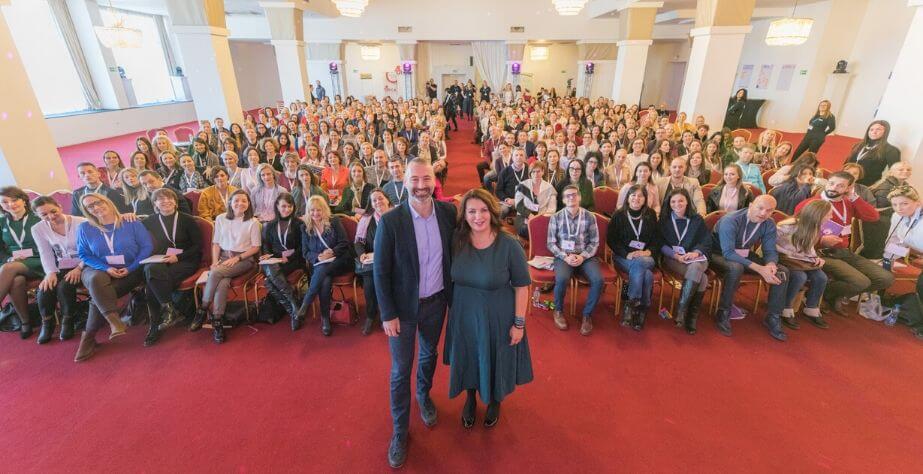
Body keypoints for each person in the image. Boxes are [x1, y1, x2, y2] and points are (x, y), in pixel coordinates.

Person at [373, 159, 456, 469]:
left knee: (429, 354)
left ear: (435, 180)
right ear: (404, 182)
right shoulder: (391, 221)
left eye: (426, 179)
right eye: (415, 180)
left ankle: (424, 394)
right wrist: (387, 314)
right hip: (402, 310)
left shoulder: (448, 213)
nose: (421, 186)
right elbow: (381, 271)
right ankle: (399, 431)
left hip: (436, 302)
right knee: (400, 370)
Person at [443, 189, 532, 429]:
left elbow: (522, 287)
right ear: (464, 215)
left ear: (492, 212)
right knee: (468, 356)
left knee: (493, 358)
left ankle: (494, 400)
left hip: (497, 317)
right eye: (471, 211)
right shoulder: (456, 240)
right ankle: (470, 397)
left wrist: (519, 324)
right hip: (463, 315)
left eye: (483, 210)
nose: (478, 216)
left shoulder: (509, 244)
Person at [794, 171, 893, 315]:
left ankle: (831, 294)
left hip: (843, 252)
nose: (833, 188)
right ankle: (817, 293)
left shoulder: (848, 202)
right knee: (861, 282)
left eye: (840, 186)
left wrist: (854, 197)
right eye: (831, 183)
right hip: (819, 252)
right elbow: (795, 232)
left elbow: (873, 216)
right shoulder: (811, 203)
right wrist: (820, 240)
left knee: (885, 278)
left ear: (849, 188)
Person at [75, 193, 153, 361]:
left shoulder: (131, 223)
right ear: (86, 210)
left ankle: (88, 337)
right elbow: (84, 254)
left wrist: (131, 267)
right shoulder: (84, 228)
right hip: (97, 268)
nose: (96, 207)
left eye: (98, 202)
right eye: (90, 206)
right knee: (96, 280)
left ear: (107, 201)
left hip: (130, 270)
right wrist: (106, 268)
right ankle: (114, 321)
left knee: (99, 294)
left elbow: (147, 247)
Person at [710, 195, 790, 341]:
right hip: (718, 253)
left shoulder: (769, 223)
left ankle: (773, 316)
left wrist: (770, 264)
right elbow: (728, 253)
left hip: (744, 254)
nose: (763, 213)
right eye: (760, 208)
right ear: (751, 205)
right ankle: (724, 311)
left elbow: (770, 250)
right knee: (736, 268)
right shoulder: (731, 219)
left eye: (769, 210)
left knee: (782, 272)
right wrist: (760, 269)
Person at [190, 189, 261, 344]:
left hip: (244, 259)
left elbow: (255, 247)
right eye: (236, 200)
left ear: (249, 204)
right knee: (222, 283)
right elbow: (216, 243)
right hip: (223, 258)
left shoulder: (253, 222)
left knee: (215, 274)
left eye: (244, 201)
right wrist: (215, 261)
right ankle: (217, 321)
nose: (240, 203)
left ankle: (202, 309)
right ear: (230, 202)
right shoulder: (221, 218)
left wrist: (237, 258)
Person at [140, 188, 203, 346]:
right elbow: (131, 227)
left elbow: (198, 246)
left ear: (175, 202)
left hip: (186, 260)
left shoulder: (187, 219)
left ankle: (155, 326)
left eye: (169, 198)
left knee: (151, 283)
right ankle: (170, 310)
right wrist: (126, 216)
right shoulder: (150, 220)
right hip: (164, 260)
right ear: (155, 203)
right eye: (160, 199)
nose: (165, 201)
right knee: (150, 270)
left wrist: (178, 257)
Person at [547, 185, 602, 335]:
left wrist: (582, 256)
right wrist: (566, 257)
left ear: (579, 197)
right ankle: (558, 311)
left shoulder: (590, 216)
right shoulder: (556, 217)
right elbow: (551, 243)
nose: (571, 197)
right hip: (564, 256)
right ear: (564, 200)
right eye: (568, 196)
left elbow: (595, 242)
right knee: (562, 279)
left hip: (585, 256)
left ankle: (587, 315)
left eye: (574, 194)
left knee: (598, 280)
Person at [293, 196, 351, 336]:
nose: (315, 213)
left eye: (318, 210)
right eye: (312, 210)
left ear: (324, 210)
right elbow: (305, 252)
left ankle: (305, 304)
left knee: (322, 272)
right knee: (324, 279)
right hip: (320, 264)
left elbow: (344, 243)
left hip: (339, 261)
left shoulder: (334, 221)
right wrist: (318, 257)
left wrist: (332, 252)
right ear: (308, 211)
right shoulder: (305, 227)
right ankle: (325, 318)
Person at [31, 196, 85, 343]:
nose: (50, 216)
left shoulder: (81, 222)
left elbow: (92, 250)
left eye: (53, 211)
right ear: (37, 215)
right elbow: (45, 252)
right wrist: (50, 272)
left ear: (60, 207)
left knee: (64, 286)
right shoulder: (37, 229)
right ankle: (47, 324)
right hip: (62, 265)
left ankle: (68, 321)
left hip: (84, 264)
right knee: (45, 288)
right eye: (44, 214)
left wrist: (79, 268)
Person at [658, 188, 710, 334]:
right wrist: (675, 255)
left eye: (681, 200)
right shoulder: (664, 221)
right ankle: (691, 316)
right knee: (703, 279)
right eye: (673, 201)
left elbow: (706, 241)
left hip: (697, 257)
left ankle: (682, 309)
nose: (677, 204)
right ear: (669, 203)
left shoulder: (697, 220)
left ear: (687, 201)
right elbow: (660, 243)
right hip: (674, 259)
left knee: (696, 267)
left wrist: (696, 252)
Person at [608, 184, 659, 330]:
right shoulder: (619, 215)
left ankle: (630, 304)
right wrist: (627, 254)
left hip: (646, 257)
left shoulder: (650, 214)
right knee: (647, 275)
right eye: (633, 195)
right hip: (624, 257)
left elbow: (657, 239)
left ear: (645, 199)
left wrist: (647, 252)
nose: (636, 198)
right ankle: (642, 308)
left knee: (640, 263)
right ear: (628, 198)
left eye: (640, 196)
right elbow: (611, 240)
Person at [775, 200, 831, 330]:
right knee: (800, 277)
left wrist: (815, 257)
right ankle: (785, 308)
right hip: (782, 258)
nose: (831, 217)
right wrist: (789, 253)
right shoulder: (787, 226)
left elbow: (809, 247)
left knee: (821, 277)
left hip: (799, 259)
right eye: (829, 214)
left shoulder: (815, 226)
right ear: (818, 214)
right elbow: (770, 243)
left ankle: (811, 308)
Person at [0, 187, 43, 339]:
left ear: (23, 200)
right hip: (13, 263)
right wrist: (8, 259)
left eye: (14, 200)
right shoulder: (1, 222)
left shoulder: (37, 217)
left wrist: (9, 263)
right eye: (5, 202)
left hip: (40, 260)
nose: (10, 205)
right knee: (16, 280)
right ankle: (25, 322)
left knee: (9, 268)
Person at [259, 193, 305, 331]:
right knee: (271, 268)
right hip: (275, 259)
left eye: (290, 206)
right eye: (283, 206)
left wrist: (288, 258)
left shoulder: (299, 224)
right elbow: (266, 245)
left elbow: (303, 247)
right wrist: (267, 255)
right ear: (277, 207)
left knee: (268, 281)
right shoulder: (270, 225)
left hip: (294, 259)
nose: (287, 209)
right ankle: (294, 307)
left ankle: (292, 308)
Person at [882, 185, 923, 339]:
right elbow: (894, 240)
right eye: (895, 204)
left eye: (904, 203)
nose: (899, 208)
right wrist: (889, 261)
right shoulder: (897, 216)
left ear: (917, 202)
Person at [354, 189, 390, 335]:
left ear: (387, 199)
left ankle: (386, 314)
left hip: (392, 260)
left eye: (380, 198)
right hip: (372, 260)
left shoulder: (396, 216)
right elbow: (358, 242)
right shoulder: (366, 219)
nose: (378, 202)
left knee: (385, 280)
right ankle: (371, 314)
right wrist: (362, 254)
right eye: (374, 200)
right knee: (369, 283)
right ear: (371, 204)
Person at [863, 161, 912, 259]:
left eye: (908, 169)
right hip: (879, 219)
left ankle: (897, 255)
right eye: (901, 170)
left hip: (890, 216)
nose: (905, 171)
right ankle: (889, 256)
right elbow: (881, 208)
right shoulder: (885, 187)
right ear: (891, 172)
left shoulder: (904, 185)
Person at [844, 120, 901, 186]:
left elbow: (895, 173)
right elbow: (846, 164)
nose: (874, 132)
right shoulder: (858, 145)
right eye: (871, 129)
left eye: (878, 129)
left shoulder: (891, 150)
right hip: (847, 181)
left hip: (868, 186)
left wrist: (882, 186)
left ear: (886, 132)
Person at [514, 161, 557, 239]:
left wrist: (540, 218)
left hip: (543, 217)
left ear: (543, 172)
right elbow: (518, 205)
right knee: (525, 229)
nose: (536, 174)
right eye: (533, 172)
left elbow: (552, 208)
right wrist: (529, 215)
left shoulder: (550, 188)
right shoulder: (522, 185)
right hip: (524, 216)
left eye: (538, 171)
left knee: (547, 230)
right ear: (530, 173)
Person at [496, 148, 530, 217]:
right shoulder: (505, 171)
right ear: (512, 158)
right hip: (509, 201)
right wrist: (507, 199)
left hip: (525, 201)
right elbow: (498, 190)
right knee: (502, 211)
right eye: (516, 155)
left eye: (521, 155)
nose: (519, 157)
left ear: (525, 158)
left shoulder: (530, 170)